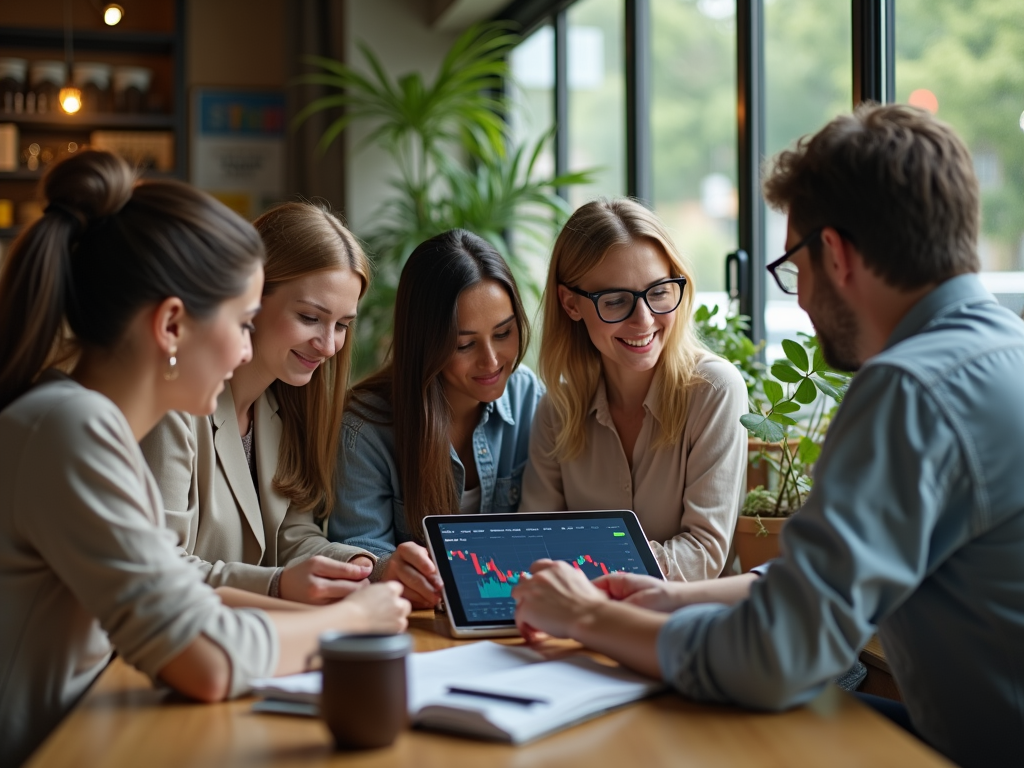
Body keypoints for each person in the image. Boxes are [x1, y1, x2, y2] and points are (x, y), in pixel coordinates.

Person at [510, 104, 1024, 768]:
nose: (800, 299)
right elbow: (821, 578)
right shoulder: (1003, 349)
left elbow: (777, 655)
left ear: (834, 254)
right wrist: (673, 596)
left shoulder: (909, 390)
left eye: (793, 266)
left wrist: (585, 618)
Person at [0, 151, 410, 767]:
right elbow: (207, 658)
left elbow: (188, 610)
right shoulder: (72, 429)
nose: (245, 350)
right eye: (244, 322)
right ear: (171, 326)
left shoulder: (79, 422)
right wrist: (353, 621)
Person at [141, 201, 376, 604]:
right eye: (309, 317)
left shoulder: (285, 406)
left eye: (342, 326)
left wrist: (364, 566)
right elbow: (158, 569)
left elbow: (291, 538)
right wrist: (275, 585)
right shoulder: (176, 406)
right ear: (250, 298)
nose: (328, 345)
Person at [519, 198, 748, 581]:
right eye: (615, 301)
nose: (643, 321)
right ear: (571, 303)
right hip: (582, 623)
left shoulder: (714, 390)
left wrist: (584, 570)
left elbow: (704, 553)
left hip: (685, 628)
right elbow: (535, 543)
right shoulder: (558, 409)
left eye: (658, 292)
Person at [328, 229, 543, 609]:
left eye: (504, 333)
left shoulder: (530, 397)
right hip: (417, 620)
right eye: (464, 344)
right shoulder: (364, 427)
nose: (492, 360)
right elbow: (362, 552)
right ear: (426, 342)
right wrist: (389, 569)